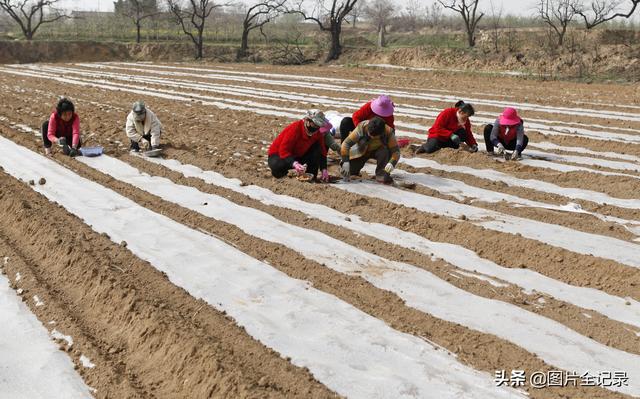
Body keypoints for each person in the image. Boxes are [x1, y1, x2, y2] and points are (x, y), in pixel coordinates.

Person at [268, 110, 338, 182]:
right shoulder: (295, 128)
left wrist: (324, 169)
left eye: (318, 126)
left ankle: (311, 175)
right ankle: (286, 174)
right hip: (279, 155)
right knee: (277, 166)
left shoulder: (317, 132)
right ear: (307, 121)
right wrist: (294, 163)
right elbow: (283, 150)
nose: (316, 128)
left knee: (317, 147)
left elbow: (322, 151)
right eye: (314, 125)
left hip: (298, 155)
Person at [340, 116, 400, 184]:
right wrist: (345, 161)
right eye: (370, 134)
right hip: (361, 150)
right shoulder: (362, 127)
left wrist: (392, 163)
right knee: (348, 172)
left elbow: (396, 151)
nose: (372, 137)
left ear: (381, 133)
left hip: (380, 152)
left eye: (375, 136)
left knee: (385, 151)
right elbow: (346, 143)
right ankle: (354, 170)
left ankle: (381, 175)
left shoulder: (388, 132)